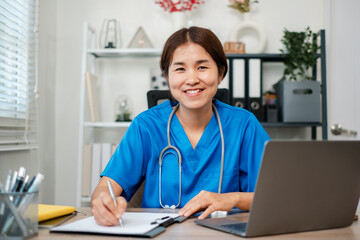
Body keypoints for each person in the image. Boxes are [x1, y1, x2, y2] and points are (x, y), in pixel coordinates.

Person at [91, 26, 270, 226]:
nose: (192, 79)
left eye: (202, 67)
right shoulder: (146, 126)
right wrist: (102, 202)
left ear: (220, 74)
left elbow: (275, 196)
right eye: (180, 69)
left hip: (224, 234)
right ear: (167, 77)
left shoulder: (244, 125)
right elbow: (105, 188)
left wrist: (231, 199)